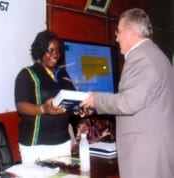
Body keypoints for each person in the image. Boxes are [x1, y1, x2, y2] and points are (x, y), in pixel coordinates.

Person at [80, 8, 174, 178]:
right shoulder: (158, 55)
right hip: (155, 149)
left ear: (130, 33)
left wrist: (96, 100)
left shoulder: (141, 57)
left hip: (145, 155)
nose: (116, 38)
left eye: (118, 32)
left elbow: (128, 103)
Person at [14, 30, 79, 163]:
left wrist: (79, 108)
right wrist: (43, 108)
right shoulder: (27, 74)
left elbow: (72, 100)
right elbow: (21, 106)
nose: (55, 54)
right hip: (36, 146)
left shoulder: (63, 74)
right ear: (40, 51)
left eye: (58, 50)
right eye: (50, 50)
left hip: (62, 143)